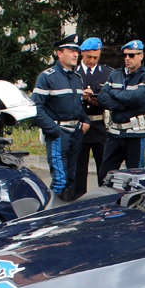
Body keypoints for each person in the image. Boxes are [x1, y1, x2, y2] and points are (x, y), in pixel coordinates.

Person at [32, 34, 90, 201]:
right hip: (58, 134)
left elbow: (77, 106)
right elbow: (36, 107)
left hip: (76, 133)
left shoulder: (77, 78)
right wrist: (54, 130)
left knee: (71, 178)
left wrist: (85, 122)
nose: (75, 55)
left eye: (76, 51)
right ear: (59, 53)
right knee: (60, 180)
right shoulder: (47, 77)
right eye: (71, 50)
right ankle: (52, 217)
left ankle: (67, 216)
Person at [98, 40, 145, 173]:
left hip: (135, 133)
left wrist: (114, 93)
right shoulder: (115, 74)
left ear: (141, 56)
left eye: (131, 55)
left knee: (135, 174)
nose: (127, 58)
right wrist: (125, 104)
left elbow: (137, 98)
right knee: (105, 173)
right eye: (125, 56)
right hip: (115, 133)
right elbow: (102, 98)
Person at [75, 36, 111, 194]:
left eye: (96, 57)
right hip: (80, 126)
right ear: (82, 53)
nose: (92, 60)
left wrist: (99, 101)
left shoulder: (108, 73)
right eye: (89, 57)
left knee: (104, 170)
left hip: (100, 127)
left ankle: (104, 202)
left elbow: (112, 98)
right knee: (79, 171)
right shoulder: (73, 73)